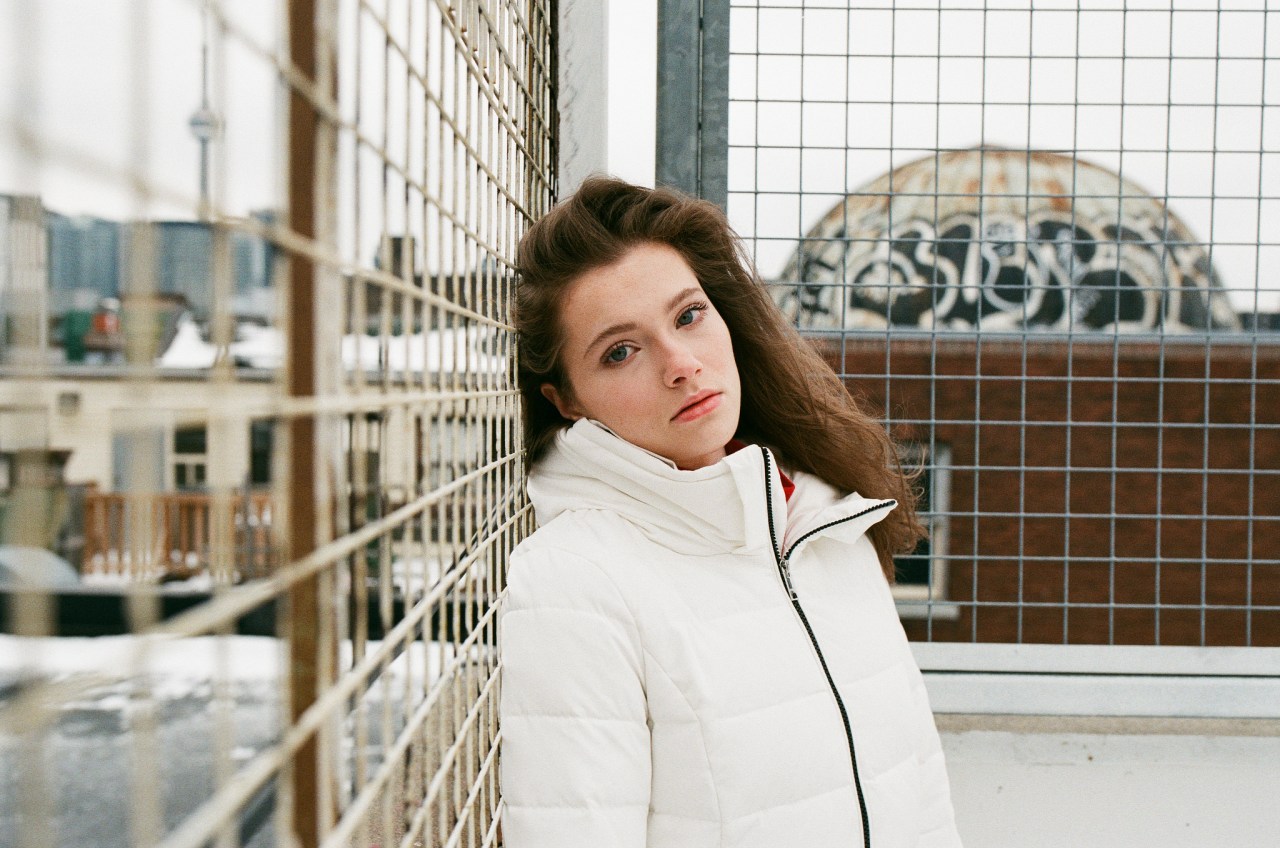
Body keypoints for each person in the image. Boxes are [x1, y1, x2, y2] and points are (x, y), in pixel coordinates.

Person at [499, 177, 962, 848]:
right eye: (620, 351)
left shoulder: (829, 525)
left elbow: (920, 790)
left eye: (688, 315)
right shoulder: (576, 581)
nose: (681, 364)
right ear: (566, 399)